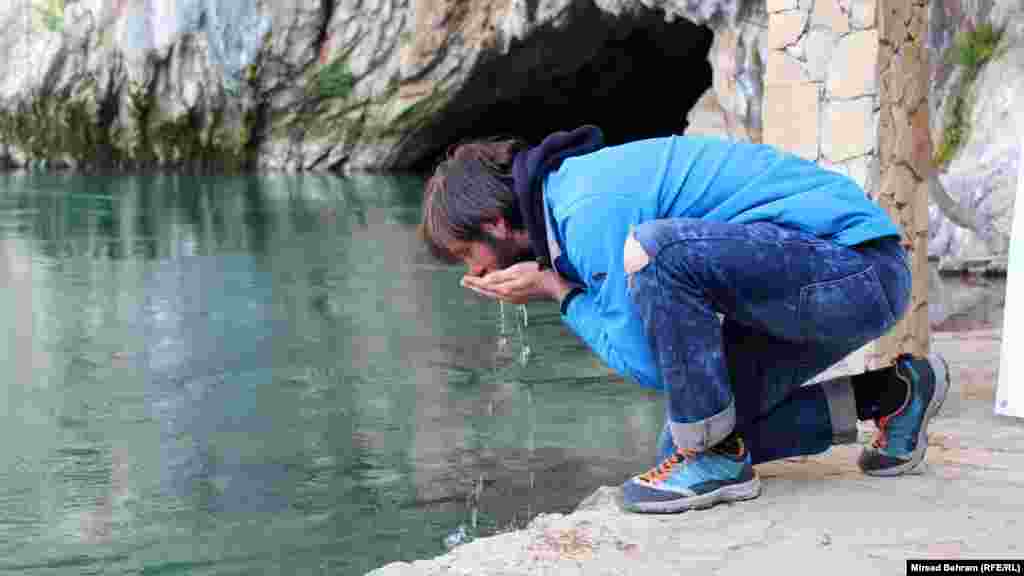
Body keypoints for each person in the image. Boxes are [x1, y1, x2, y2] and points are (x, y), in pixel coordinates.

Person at [418, 125, 951, 514]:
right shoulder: (568, 203)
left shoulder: (585, 209)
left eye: (469, 254)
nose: (479, 271)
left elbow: (658, 366)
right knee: (684, 440)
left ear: (494, 222)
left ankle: (717, 461)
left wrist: (558, 292)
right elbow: (687, 378)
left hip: (856, 272)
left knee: (655, 252)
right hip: (825, 278)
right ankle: (892, 396)